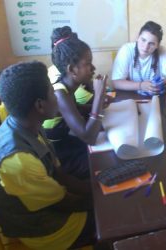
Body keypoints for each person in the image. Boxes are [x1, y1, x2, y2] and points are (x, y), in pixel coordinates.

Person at [0, 61, 95, 249]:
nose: (57, 97)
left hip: (52, 203)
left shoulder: (28, 123)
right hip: (46, 231)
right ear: (40, 105)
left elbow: (58, 174)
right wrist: (100, 201)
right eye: (52, 93)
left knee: (98, 187)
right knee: (114, 219)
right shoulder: (17, 161)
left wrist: (95, 188)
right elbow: (64, 202)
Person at [43, 26, 107, 179]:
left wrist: (100, 106)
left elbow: (77, 108)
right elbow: (88, 136)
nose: (93, 68)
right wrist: (99, 96)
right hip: (59, 153)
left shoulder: (68, 85)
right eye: (88, 63)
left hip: (67, 141)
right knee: (104, 163)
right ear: (72, 69)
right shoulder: (59, 93)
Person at [112, 21, 166, 95]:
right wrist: (141, 85)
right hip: (132, 96)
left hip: (156, 97)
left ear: (157, 45)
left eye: (151, 43)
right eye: (143, 40)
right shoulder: (126, 50)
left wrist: (163, 83)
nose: (145, 47)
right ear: (137, 37)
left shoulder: (161, 51)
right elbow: (116, 82)